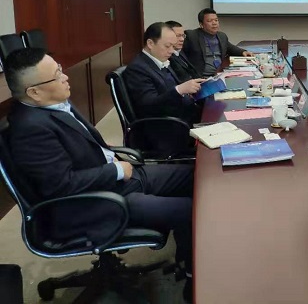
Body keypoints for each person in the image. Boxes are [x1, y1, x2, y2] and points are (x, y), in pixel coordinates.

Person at [4, 48, 195, 301]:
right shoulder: (30, 129)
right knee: (194, 211)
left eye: (60, 69)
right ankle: (195, 277)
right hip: (94, 202)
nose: (65, 77)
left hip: (117, 181)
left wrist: (115, 163)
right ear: (34, 92)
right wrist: (115, 170)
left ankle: (186, 259)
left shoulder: (53, 103)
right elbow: (60, 186)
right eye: (56, 75)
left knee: (196, 177)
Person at [124, 22, 203, 125]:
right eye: (167, 46)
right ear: (150, 43)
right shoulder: (137, 69)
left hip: (185, 113)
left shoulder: (161, 60)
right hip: (168, 124)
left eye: (173, 46)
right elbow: (149, 106)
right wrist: (179, 90)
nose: (171, 51)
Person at [183, 8, 252, 76]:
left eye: (216, 20)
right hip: (202, 77)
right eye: (210, 21)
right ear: (201, 24)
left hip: (221, 73)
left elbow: (230, 47)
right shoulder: (192, 36)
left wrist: (243, 52)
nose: (214, 23)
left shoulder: (222, 36)